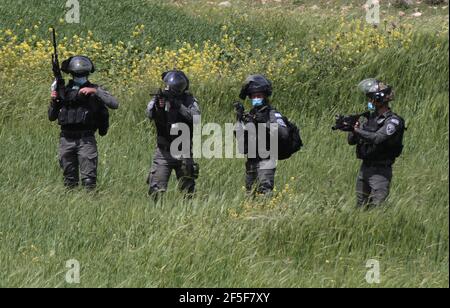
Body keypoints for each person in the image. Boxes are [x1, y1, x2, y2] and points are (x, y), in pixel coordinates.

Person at [48, 56, 119, 189]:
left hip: (85, 139)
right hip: (66, 139)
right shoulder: (64, 91)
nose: (79, 76)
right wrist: (54, 100)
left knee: (89, 181)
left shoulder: (94, 89)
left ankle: (90, 204)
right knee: (69, 181)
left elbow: (114, 104)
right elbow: (51, 117)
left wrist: (95, 91)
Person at [348, 78, 405, 207]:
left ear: (379, 99)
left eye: (371, 98)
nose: (369, 101)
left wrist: (357, 131)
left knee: (377, 209)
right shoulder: (369, 119)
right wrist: (351, 129)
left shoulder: (393, 121)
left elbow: (378, 138)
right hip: (364, 169)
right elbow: (351, 141)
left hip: (380, 172)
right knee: (360, 208)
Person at [146, 70, 200, 199]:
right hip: (163, 152)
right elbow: (148, 113)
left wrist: (178, 106)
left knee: (188, 191)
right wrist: (158, 107)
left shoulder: (189, 100)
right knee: (155, 191)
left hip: (183, 151)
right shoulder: (160, 98)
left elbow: (196, 118)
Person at [234, 74, 290, 195]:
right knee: (249, 194)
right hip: (251, 161)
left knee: (264, 192)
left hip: (267, 159)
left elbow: (284, 133)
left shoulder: (272, 114)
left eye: (259, 95)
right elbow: (241, 143)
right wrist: (239, 120)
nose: (256, 98)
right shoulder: (250, 115)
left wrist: (265, 123)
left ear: (265, 96)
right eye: (253, 96)